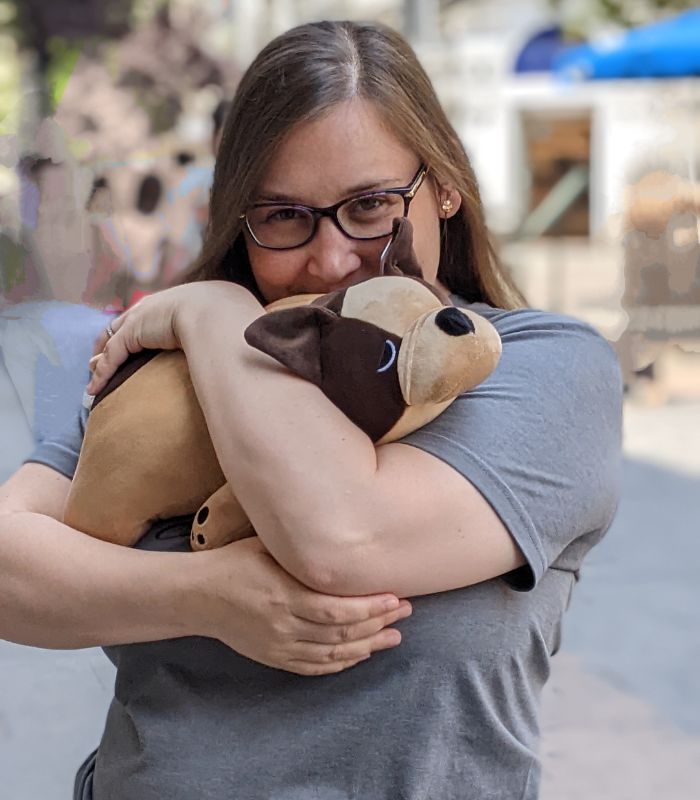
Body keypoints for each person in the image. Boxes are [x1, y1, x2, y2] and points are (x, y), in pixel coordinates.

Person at [0, 20, 623, 800]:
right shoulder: (170, 377)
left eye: (370, 206)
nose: (329, 261)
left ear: (446, 186)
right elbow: (8, 567)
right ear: (239, 220)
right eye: (283, 216)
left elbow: (341, 537)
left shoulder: (540, 368)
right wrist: (209, 598)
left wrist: (214, 313)